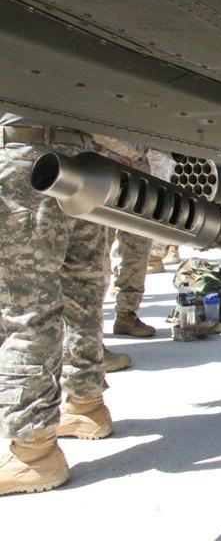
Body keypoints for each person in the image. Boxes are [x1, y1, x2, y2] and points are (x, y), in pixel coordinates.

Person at [0, 114, 114, 495]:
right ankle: (85, 405)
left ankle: (34, 452)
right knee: (82, 290)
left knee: (24, 305)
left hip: (27, 158)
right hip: (83, 160)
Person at [91, 135, 156, 343]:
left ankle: (127, 314)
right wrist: (131, 152)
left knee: (138, 245)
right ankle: (90, 331)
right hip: (102, 169)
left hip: (136, 172)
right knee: (97, 251)